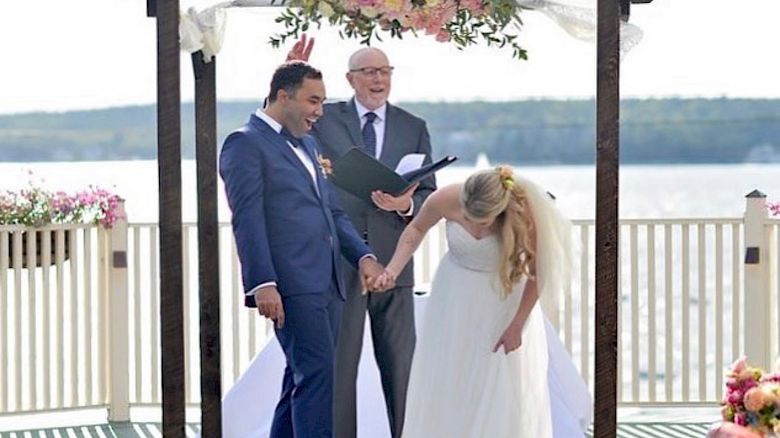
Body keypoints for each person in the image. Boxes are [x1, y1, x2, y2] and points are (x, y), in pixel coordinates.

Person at [219, 61, 386, 438]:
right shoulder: (243, 142)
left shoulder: (309, 144)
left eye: (323, 102)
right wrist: (263, 282)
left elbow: (332, 211)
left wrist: (363, 256)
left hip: (327, 282)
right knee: (318, 376)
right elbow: (247, 219)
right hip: (292, 283)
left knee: (300, 377)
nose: (319, 112)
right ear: (283, 96)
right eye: (313, 101)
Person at [287, 36, 437, 438]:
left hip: (394, 262)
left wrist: (403, 206)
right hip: (340, 260)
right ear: (350, 79)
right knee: (338, 368)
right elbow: (284, 128)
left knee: (402, 368)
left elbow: (427, 194)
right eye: (369, 71)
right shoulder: (326, 118)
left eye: (385, 71)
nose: (378, 78)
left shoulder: (414, 126)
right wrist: (288, 72)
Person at [376, 165, 581, 437]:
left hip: (502, 301)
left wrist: (517, 324)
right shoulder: (445, 198)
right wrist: (392, 269)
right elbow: (415, 230)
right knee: (450, 374)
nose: (474, 225)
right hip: (454, 296)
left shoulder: (523, 212)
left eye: (483, 221)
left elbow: (537, 272)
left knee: (497, 381)